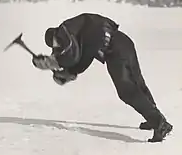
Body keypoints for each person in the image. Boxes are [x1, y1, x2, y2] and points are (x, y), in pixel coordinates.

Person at [31, 13, 172, 142]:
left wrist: (57, 66)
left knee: (127, 91)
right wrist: (65, 70)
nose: (57, 45)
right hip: (123, 42)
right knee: (137, 83)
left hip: (115, 50)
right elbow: (80, 56)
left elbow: (74, 56)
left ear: (55, 35)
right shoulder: (78, 33)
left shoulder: (64, 32)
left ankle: (159, 123)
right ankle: (153, 117)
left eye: (56, 43)